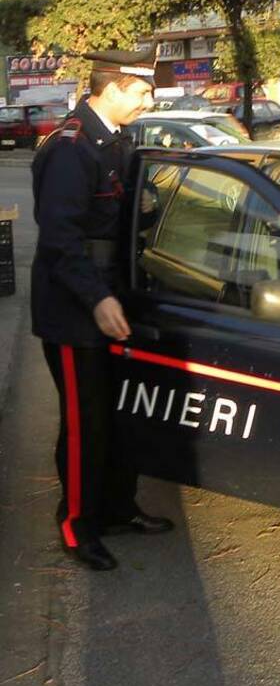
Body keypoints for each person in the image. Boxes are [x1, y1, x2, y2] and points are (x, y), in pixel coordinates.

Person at [31, 48, 173, 571]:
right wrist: (99, 299)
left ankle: (116, 508)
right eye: (141, 91)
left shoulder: (115, 141)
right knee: (84, 422)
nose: (148, 100)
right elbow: (62, 244)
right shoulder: (72, 147)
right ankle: (78, 523)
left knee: (118, 416)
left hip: (110, 297)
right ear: (111, 88)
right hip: (75, 312)